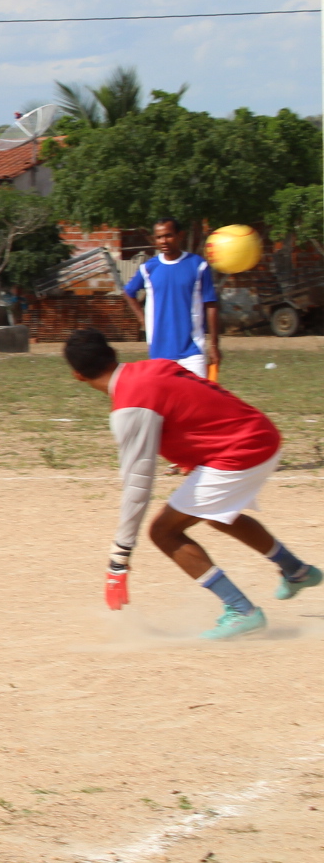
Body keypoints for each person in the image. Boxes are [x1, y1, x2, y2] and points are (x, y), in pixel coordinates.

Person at [64, 328, 316, 639]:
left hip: (240, 452)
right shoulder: (154, 366)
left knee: (164, 531)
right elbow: (198, 401)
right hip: (260, 433)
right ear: (113, 353)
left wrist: (119, 558)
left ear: (77, 376)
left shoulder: (129, 406)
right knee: (218, 515)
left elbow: (138, 485)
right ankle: (295, 570)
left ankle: (242, 611)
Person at [122, 218, 219, 380]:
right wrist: (143, 320)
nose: (163, 241)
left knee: (195, 395)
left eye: (168, 235)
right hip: (159, 352)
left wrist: (214, 345)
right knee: (163, 397)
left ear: (180, 235)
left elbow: (211, 305)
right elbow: (128, 292)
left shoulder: (198, 265)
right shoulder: (148, 268)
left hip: (192, 351)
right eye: (159, 237)